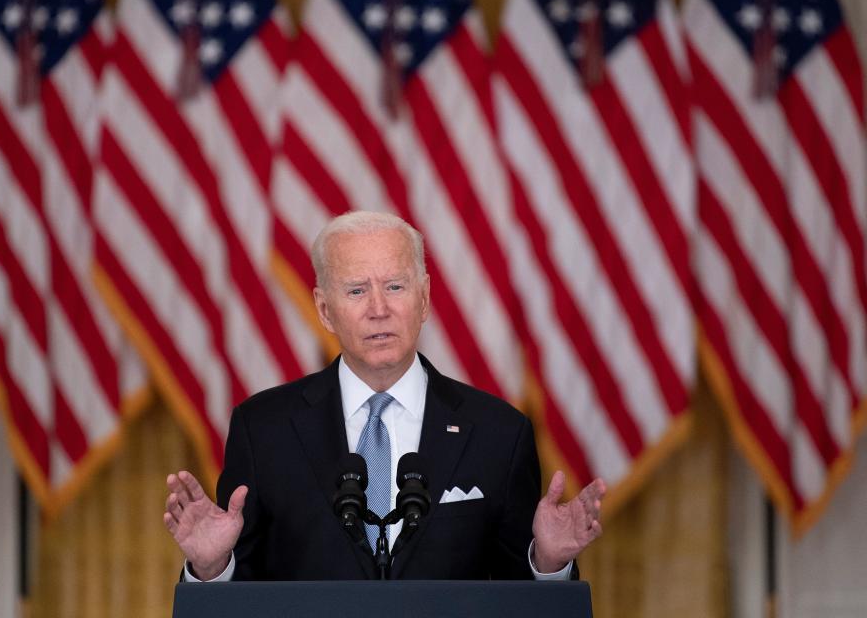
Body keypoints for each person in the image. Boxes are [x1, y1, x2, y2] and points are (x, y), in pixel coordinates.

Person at [164, 211, 605, 581]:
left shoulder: (499, 434)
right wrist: (211, 566)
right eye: (357, 290)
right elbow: (241, 601)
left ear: (425, 298)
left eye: (395, 286)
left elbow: (523, 604)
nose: (379, 308)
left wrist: (549, 562)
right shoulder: (263, 430)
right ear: (324, 309)